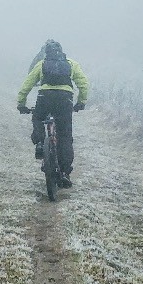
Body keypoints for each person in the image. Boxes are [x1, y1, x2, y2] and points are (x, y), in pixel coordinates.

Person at [17, 40, 89, 186]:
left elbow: (27, 84)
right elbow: (84, 84)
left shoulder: (42, 64)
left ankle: (39, 143)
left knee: (37, 117)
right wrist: (81, 102)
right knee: (65, 135)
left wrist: (21, 103)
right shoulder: (71, 63)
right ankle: (64, 173)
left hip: (45, 96)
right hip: (65, 99)